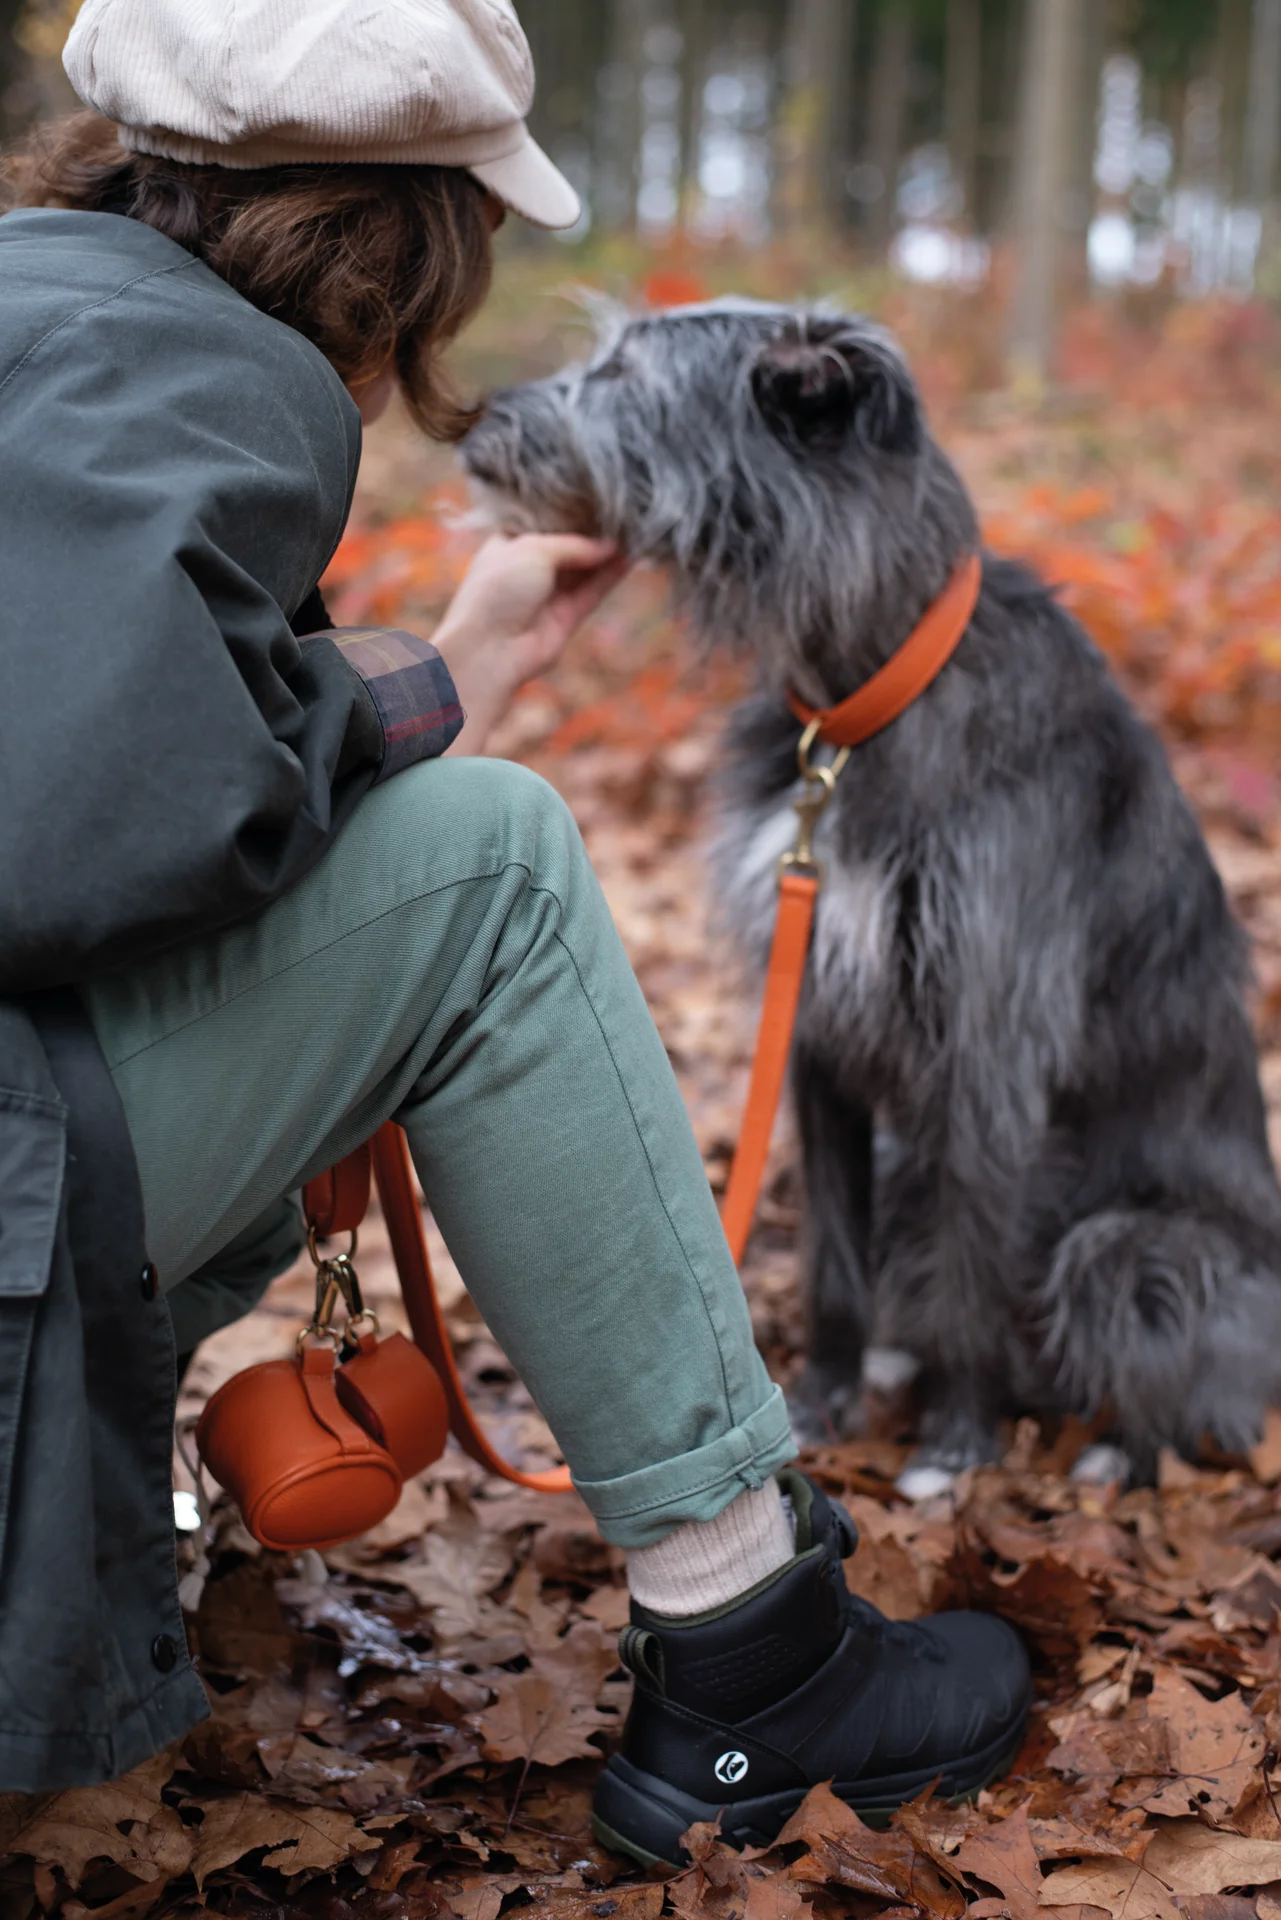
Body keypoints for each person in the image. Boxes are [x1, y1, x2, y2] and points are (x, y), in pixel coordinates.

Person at [0, 0, 1029, 1863]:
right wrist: (403, 705)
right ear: (408, 234)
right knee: (489, 861)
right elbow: (67, 821)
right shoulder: (214, 378)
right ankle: (754, 1654)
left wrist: (417, 675)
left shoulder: (34, 310)